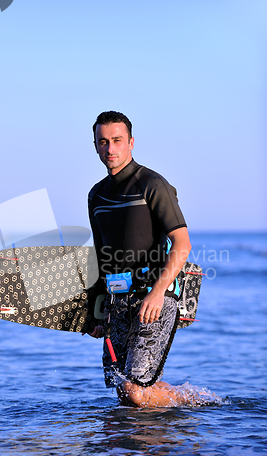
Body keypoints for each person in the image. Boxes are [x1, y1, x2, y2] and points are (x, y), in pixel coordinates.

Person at [87, 111, 192, 408]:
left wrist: (158, 293)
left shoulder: (152, 184)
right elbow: (100, 257)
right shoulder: (96, 195)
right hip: (117, 302)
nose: (110, 148)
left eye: (117, 140)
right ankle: (137, 450)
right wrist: (96, 312)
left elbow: (182, 244)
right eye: (103, 142)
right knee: (124, 390)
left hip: (153, 299)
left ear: (131, 142)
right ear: (95, 146)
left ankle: (197, 405)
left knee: (134, 390)